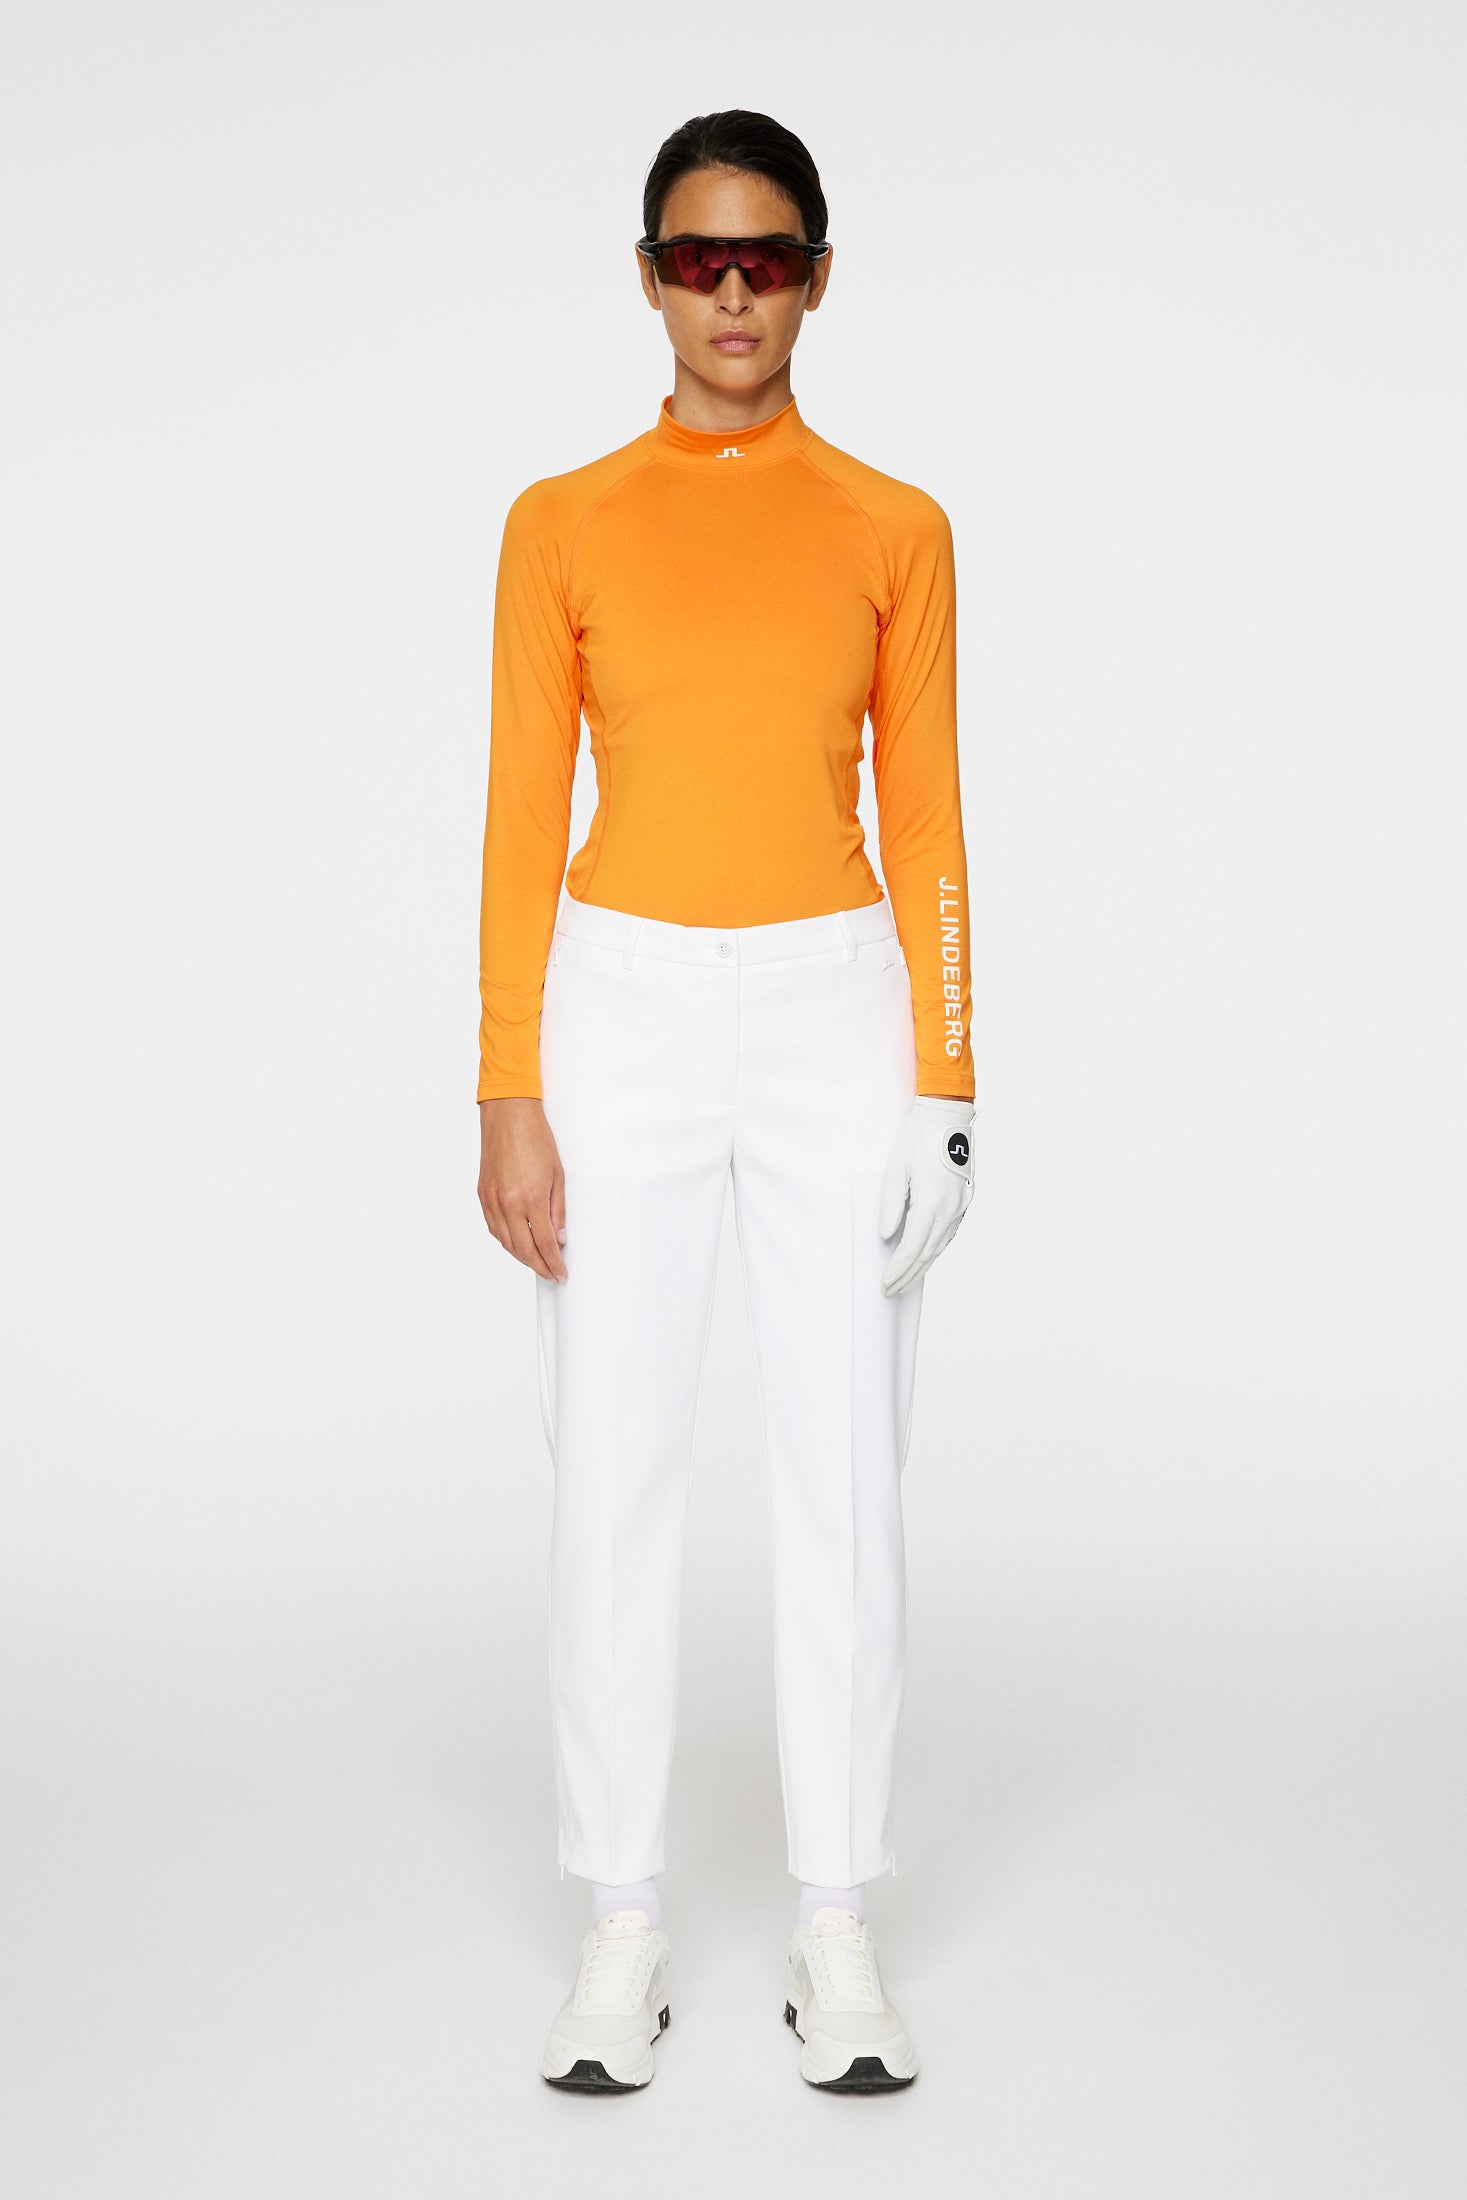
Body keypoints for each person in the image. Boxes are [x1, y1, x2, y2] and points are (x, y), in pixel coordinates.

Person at [475, 109, 975, 2094]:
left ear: (819, 279)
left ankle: (835, 1917)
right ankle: (621, 1917)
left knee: (845, 1468)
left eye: (767, 259)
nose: (734, 293)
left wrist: (946, 1083)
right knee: (609, 1466)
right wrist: (508, 1083)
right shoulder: (561, 521)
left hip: (836, 1007)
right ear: (649, 279)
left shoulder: (894, 526)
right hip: (621, 1008)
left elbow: (925, 817)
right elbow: (522, 817)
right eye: (699, 260)